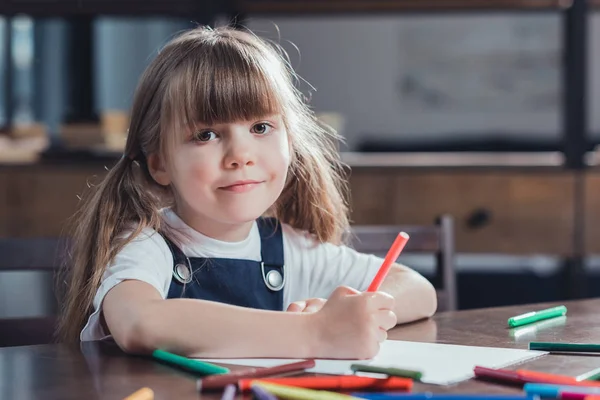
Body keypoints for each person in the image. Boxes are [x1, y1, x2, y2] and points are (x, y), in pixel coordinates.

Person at [58, 25, 437, 359]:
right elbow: (139, 322)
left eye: (260, 128)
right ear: (159, 164)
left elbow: (419, 290)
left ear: (291, 140)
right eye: (206, 134)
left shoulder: (289, 250)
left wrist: (352, 315)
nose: (240, 155)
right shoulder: (147, 245)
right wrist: (316, 333)